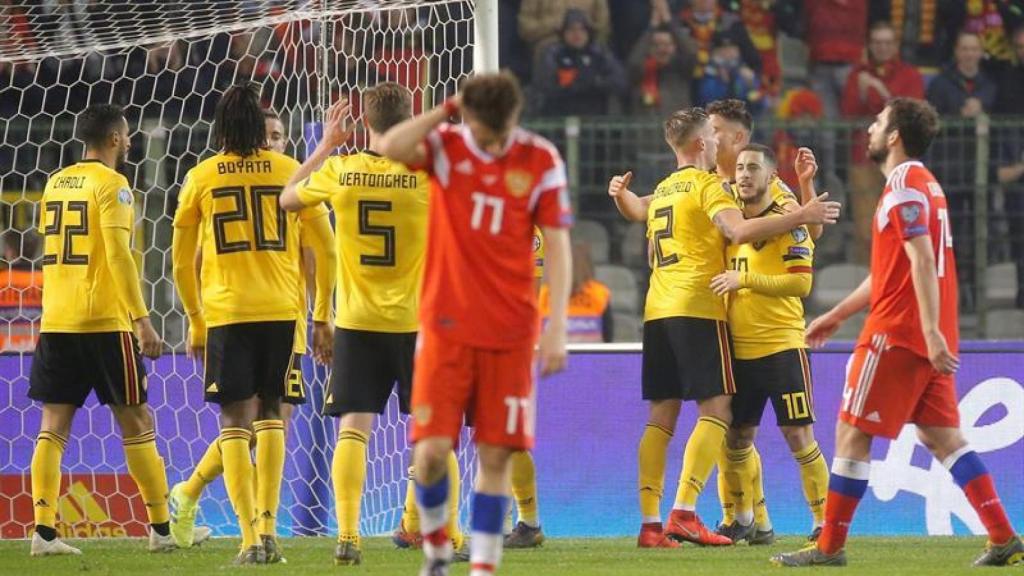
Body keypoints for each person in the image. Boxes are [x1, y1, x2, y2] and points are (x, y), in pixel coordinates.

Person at [772, 98, 1024, 568]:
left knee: (850, 432)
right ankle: (1004, 536)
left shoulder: (905, 184)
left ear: (894, 137)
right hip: (926, 334)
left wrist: (927, 331)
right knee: (942, 437)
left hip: (899, 333)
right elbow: (892, 270)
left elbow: (922, 257)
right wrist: (838, 314)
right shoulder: (926, 184)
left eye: (878, 121)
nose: (869, 126)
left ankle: (828, 548)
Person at [607, 106, 840, 548]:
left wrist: (804, 197)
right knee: (725, 422)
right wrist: (801, 213)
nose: (713, 141)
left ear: (735, 139)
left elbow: (807, 233)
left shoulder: (686, 185)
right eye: (708, 133)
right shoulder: (713, 187)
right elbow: (740, 231)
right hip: (705, 313)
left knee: (696, 419)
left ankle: (659, 521)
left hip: (669, 309)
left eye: (718, 133)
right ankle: (701, 513)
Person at [379, 71, 573, 576]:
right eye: (485, 133)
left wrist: (556, 326)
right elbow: (389, 145)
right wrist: (446, 110)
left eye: (501, 132)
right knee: (430, 454)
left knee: (495, 455)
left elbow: (557, 243)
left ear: (514, 116)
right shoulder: (447, 147)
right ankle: (438, 548)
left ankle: (483, 565)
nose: (494, 143)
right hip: (445, 327)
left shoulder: (540, 159)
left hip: (510, 333)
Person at [279, 82, 462, 566]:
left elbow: (287, 199)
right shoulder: (426, 176)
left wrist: (324, 146)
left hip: (357, 323)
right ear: (410, 119)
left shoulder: (342, 170)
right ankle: (448, 534)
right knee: (434, 432)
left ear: (365, 122)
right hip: (418, 324)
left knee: (353, 431)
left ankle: (348, 536)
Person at [171, 83, 336, 565]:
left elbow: (182, 263)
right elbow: (327, 249)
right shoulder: (291, 172)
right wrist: (321, 313)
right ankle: (269, 531)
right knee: (273, 420)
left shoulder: (201, 177)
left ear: (221, 128)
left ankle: (247, 540)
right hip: (284, 314)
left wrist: (195, 319)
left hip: (228, 314)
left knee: (233, 424)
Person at [26, 103, 196, 556]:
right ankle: (161, 529)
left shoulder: (56, 183)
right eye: (127, 137)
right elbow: (119, 255)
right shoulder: (114, 185)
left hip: (57, 320)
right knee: (137, 420)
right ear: (118, 139)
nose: (130, 143)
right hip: (103, 321)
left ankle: (44, 534)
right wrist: (142, 320)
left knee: (53, 426)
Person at [708, 144, 829, 545]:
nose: (744, 175)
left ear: (771, 177)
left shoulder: (787, 223)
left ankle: (825, 522)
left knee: (799, 437)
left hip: (781, 346)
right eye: (740, 168)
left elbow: (801, 283)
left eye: (753, 168)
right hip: (737, 350)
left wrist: (746, 281)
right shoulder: (727, 223)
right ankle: (747, 520)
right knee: (736, 437)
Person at [841, 20, 924, 264]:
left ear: (896, 45)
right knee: (866, 227)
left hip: (899, 159)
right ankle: (870, 286)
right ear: (869, 45)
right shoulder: (857, 75)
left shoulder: (909, 74)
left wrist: (878, 90)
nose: (882, 48)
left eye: (887, 42)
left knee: (903, 223)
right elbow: (848, 112)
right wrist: (864, 92)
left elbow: (910, 115)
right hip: (863, 156)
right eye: (877, 42)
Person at [532, 9, 626, 117]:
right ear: (563, 33)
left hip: (595, 118)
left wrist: (595, 82)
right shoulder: (552, 53)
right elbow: (545, 84)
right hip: (560, 116)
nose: (577, 34)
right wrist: (572, 84)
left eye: (582, 30)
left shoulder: (600, 53)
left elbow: (619, 81)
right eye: (571, 30)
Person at [626, 9, 698, 116]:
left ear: (675, 47)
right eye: (656, 45)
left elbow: (691, 52)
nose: (662, 49)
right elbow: (634, 62)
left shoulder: (682, 69)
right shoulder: (641, 71)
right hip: (646, 130)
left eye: (667, 45)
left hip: (676, 130)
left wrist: (669, 22)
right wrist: (652, 28)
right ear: (648, 48)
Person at [539, 242, 613, 343]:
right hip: (558, 357)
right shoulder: (599, 293)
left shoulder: (600, 294)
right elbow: (608, 338)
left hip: (587, 357)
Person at [0, 230, 42, 352]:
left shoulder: (2, 280)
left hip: (4, 357)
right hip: (38, 358)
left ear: (10, 252)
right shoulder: (47, 281)